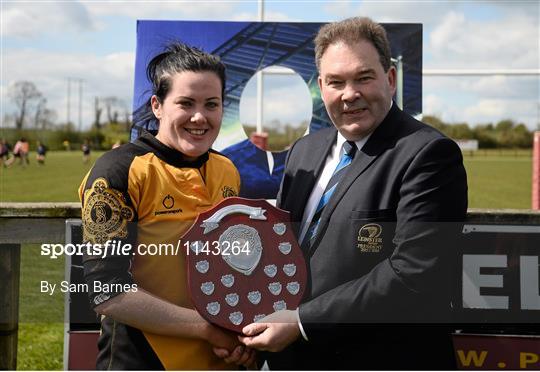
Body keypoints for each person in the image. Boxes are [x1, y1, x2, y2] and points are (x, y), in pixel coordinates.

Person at [238, 17, 468, 369]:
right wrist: (244, 325)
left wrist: (301, 322)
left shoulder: (429, 154)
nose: (349, 94)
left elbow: (413, 273)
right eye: (336, 82)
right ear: (321, 86)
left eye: (363, 77)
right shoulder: (304, 151)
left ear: (389, 79)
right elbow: (279, 250)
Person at [79, 42, 255, 370]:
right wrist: (207, 330)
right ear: (157, 105)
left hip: (218, 359)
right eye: (185, 103)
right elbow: (107, 291)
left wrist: (238, 334)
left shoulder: (227, 170)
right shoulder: (119, 170)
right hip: (142, 360)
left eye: (211, 104)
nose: (199, 117)